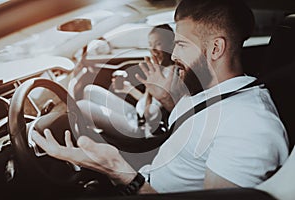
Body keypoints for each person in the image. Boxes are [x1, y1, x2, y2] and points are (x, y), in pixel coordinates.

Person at [32, 0, 289, 195]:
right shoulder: (215, 92)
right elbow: (193, 134)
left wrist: (119, 171)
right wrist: (169, 100)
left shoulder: (249, 127)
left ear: (215, 48)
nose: (173, 53)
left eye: (181, 45)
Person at [77, 24, 179, 139]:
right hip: (135, 112)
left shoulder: (173, 74)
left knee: (81, 106)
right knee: (90, 90)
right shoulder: (158, 68)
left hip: (140, 127)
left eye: (158, 44)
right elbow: (147, 100)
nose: (153, 49)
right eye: (150, 45)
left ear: (171, 44)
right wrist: (128, 89)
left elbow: (151, 113)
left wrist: (149, 94)